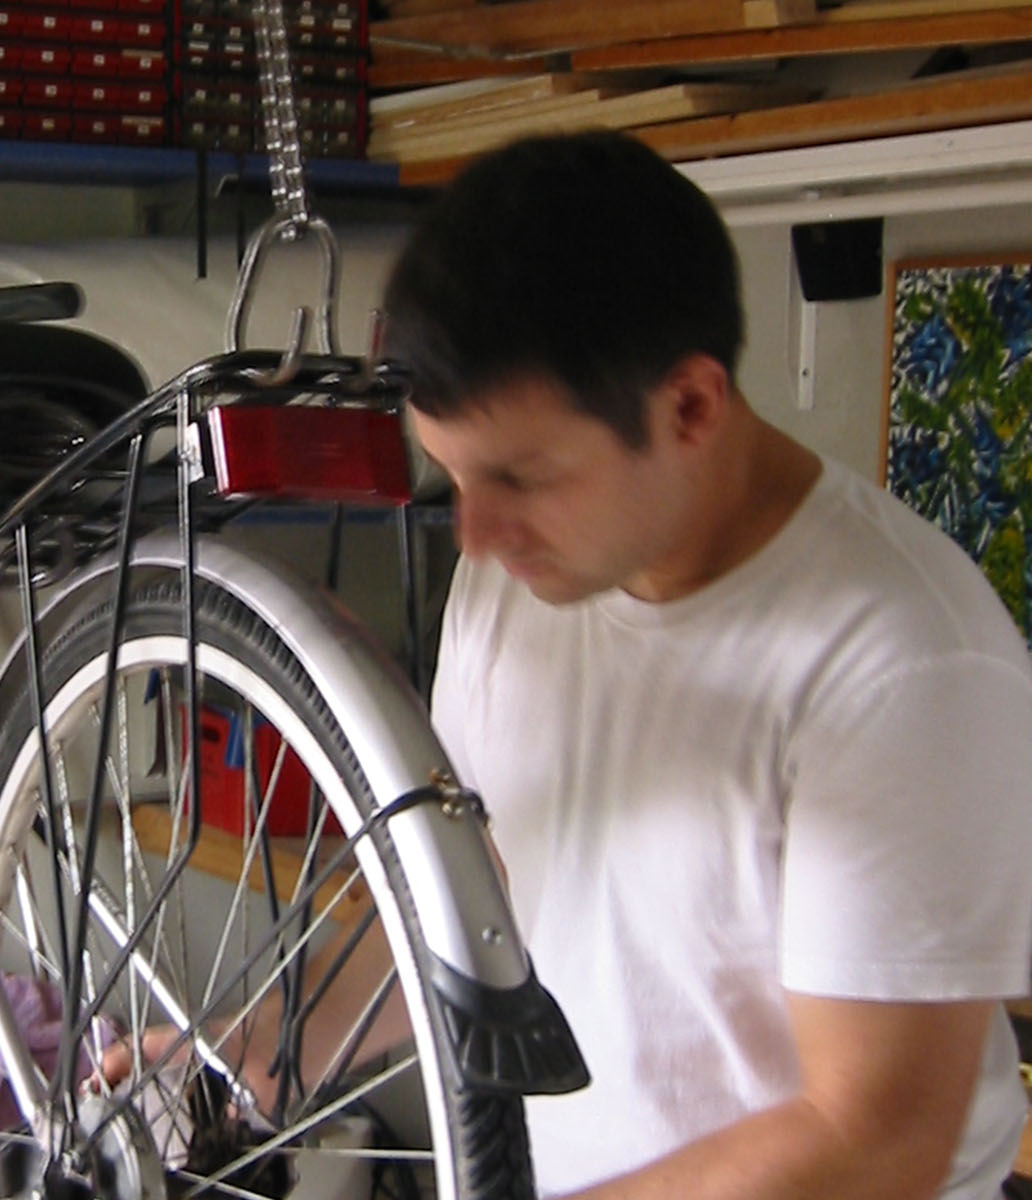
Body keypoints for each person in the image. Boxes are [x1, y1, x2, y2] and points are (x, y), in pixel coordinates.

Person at [379, 129, 1032, 1198]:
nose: (477, 534)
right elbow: (475, 890)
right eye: (451, 473)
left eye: (522, 476)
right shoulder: (524, 572)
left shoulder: (904, 665)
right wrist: (266, 1036)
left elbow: (874, 1141)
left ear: (689, 407)